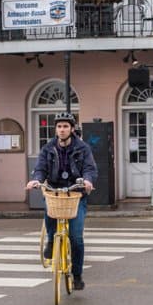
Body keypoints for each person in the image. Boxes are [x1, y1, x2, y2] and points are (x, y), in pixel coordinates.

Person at [26, 112, 97, 291]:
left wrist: (88, 180)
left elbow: (89, 168)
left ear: (72, 129)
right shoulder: (48, 148)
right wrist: (36, 180)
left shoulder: (83, 148)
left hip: (76, 192)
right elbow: (40, 168)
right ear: (55, 129)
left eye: (65, 126)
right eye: (59, 126)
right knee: (50, 212)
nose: (62, 129)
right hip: (55, 191)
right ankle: (51, 241)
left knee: (76, 237)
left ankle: (77, 275)